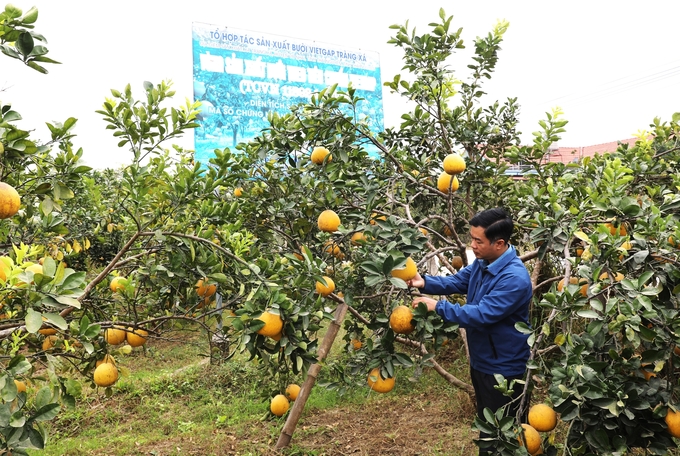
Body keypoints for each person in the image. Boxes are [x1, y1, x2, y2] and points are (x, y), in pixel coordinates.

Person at [408, 207, 532, 454]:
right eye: (471, 238)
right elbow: (458, 281)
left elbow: (481, 314)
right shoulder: (484, 261)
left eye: (478, 240)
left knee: (506, 435)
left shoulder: (514, 278)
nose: (472, 245)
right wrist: (425, 282)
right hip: (483, 362)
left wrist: (438, 307)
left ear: (499, 243)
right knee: (489, 429)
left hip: (504, 369)